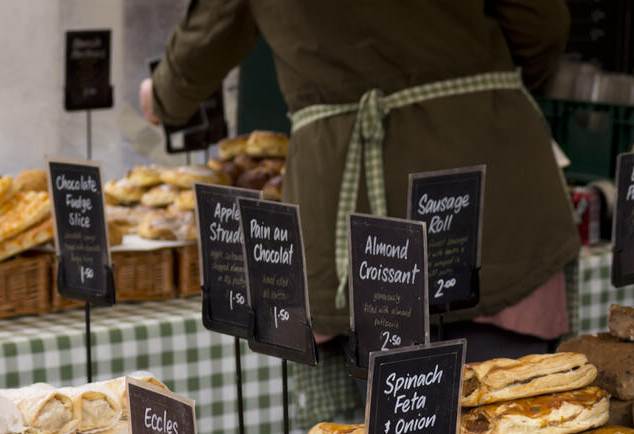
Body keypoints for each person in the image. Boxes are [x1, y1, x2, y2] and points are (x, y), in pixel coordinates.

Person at [142, 0, 580, 361]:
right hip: (491, 174)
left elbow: (213, 30)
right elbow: (541, 22)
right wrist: (478, 86)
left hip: (342, 201)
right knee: (517, 429)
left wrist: (161, 95)